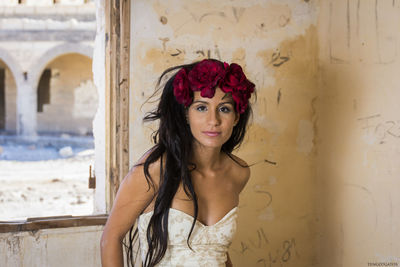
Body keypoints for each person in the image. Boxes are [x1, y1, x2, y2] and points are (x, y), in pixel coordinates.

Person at [100, 58, 256, 267]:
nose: (214, 120)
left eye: (224, 109)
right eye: (201, 108)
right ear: (185, 114)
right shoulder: (156, 168)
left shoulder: (238, 172)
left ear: (237, 116)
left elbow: (216, 252)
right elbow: (110, 238)